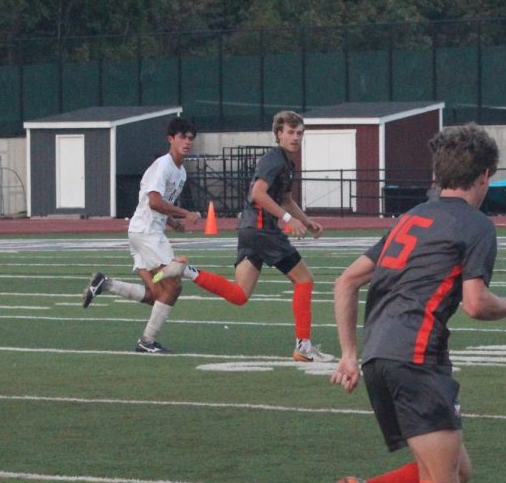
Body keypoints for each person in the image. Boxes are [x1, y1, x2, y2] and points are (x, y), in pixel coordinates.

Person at [322, 123, 506, 483]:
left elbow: (345, 282)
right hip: (417, 358)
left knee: (457, 471)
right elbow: (477, 304)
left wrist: (349, 353)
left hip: (381, 356)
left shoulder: (412, 217)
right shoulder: (476, 225)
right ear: (485, 177)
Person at [169, 110, 333, 362]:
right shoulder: (274, 159)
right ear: (278, 134)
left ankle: (188, 271)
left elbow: (286, 199)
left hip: (250, 229)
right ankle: (303, 346)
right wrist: (288, 220)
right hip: (261, 228)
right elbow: (258, 193)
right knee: (304, 280)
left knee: (240, 295)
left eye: (299, 133)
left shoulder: (286, 162)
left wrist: (306, 220)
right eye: (290, 132)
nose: (295, 138)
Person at [80, 117, 201, 353]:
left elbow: (158, 205)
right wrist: (186, 213)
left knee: (158, 293)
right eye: (182, 137)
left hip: (142, 231)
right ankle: (146, 342)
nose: (187, 142)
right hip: (147, 233)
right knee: (174, 286)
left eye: (190, 138)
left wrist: (174, 223)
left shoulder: (181, 172)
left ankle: (105, 284)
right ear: (170, 139)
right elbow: (154, 202)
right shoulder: (163, 166)